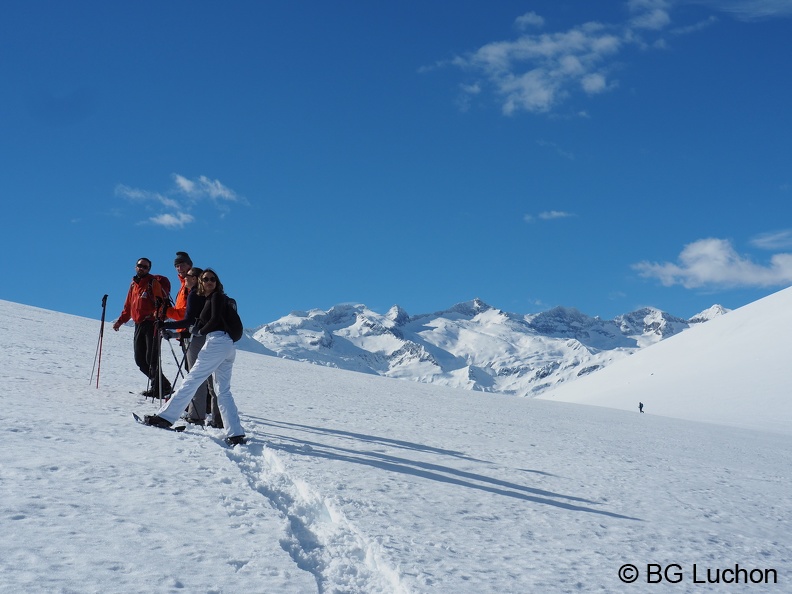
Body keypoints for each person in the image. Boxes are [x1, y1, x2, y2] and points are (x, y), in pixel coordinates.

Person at [144, 268, 246, 445]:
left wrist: (199, 330)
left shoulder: (216, 297)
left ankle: (166, 417)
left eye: (213, 279)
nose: (209, 282)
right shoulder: (210, 300)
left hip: (217, 342)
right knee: (222, 389)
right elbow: (193, 324)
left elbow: (212, 322)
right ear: (201, 282)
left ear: (217, 282)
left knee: (192, 379)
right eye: (205, 279)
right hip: (227, 345)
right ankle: (235, 433)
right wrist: (171, 328)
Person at [159, 267, 221, 427]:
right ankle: (218, 418)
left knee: (196, 377)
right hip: (215, 340)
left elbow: (191, 323)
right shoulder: (213, 296)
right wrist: (175, 334)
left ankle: (196, 416)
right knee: (214, 381)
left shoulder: (194, 294)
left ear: (195, 279)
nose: (184, 278)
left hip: (198, 341)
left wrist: (166, 325)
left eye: (188, 276)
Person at [112, 258, 172, 397]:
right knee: (140, 360)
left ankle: (159, 388)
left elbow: (161, 303)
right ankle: (162, 385)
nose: (142, 268)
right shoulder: (133, 285)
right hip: (139, 324)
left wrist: (157, 317)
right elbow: (128, 306)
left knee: (152, 359)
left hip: (152, 323)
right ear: (135, 267)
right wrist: (121, 321)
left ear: (149, 269)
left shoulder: (153, 283)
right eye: (140, 266)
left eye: (145, 267)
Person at [167, 251, 193, 348]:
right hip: (183, 332)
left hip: (190, 332)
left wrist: (167, 311)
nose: (179, 269)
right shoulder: (183, 285)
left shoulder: (191, 286)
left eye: (182, 265)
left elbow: (187, 313)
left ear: (189, 265)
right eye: (177, 266)